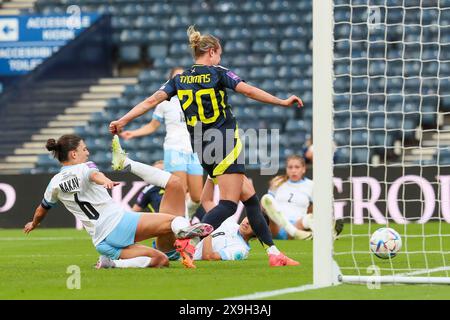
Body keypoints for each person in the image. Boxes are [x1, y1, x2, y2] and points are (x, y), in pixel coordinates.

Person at [109, 25, 303, 267]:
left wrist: (124, 119)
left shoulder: (179, 79)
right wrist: (282, 102)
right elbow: (250, 91)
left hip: (201, 145)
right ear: (211, 52)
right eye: (219, 53)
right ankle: (187, 240)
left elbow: (151, 100)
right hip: (223, 141)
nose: (220, 58)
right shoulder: (217, 72)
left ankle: (274, 254)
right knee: (229, 204)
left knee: (250, 198)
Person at [23, 134, 213, 269]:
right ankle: (184, 230)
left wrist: (34, 223)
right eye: (84, 149)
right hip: (117, 223)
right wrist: (105, 180)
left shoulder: (54, 183)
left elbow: (42, 209)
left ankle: (113, 263)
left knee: (160, 260)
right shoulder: (84, 167)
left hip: (102, 241)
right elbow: (94, 174)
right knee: (171, 221)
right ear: (73, 154)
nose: (87, 152)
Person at [120, 67, 203, 218]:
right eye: (176, 77)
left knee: (197, 196)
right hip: (175, 149)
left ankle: (186, 219)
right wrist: (133, 133)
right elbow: (152, 126)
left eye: (183, 76)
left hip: (194, 150)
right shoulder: (165, 102)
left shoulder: (197, 99)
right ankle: (180, 231)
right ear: (171, 80)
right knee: (181, 190)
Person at [261, 155, 343, 240]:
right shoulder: (277, 182)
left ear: (303, 169)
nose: (293, 170)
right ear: (286, 169)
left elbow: (319, 208)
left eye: (297, 167)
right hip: (276, 226)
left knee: (309, 218)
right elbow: (265, 206)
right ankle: (300, 233)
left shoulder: (311, 185)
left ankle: (327, 232)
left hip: (298, 224)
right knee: (266, 198)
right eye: (290, 167)